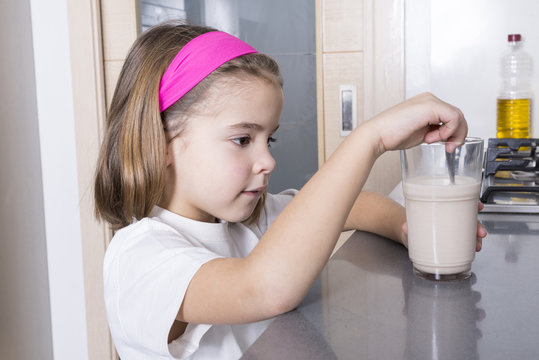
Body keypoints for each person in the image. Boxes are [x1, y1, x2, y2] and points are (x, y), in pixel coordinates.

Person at [94, 21, 486, 359]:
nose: (267, 161)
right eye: (243, 139)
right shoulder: (139, 259)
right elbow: (262, 288)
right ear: (162, 145)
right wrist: (371, 138)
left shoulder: (250, 220)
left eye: (270, 141)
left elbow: (353, 207)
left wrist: (409, 227)